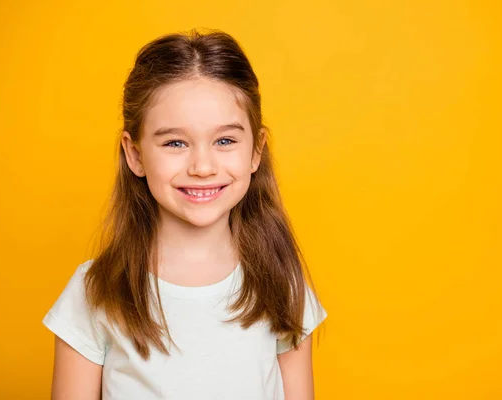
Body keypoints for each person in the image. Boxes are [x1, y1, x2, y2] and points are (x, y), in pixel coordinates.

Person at [42, 29, 327, 400]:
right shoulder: (96, 291)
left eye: (225, 140)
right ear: (136, 154)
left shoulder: (279, 281)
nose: (203, 166)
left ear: (256, 150)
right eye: (175, 142)